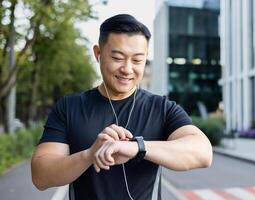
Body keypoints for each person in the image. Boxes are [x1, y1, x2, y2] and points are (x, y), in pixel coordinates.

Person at [31, 14, 213, 200]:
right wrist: (89, 155)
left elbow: (202, 153)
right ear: (98, 53)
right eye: (118, 58)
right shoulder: (69, 107)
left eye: (137, 60)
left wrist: (137, 148)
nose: (127, 69)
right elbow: (40, 176)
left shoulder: (162, 108)